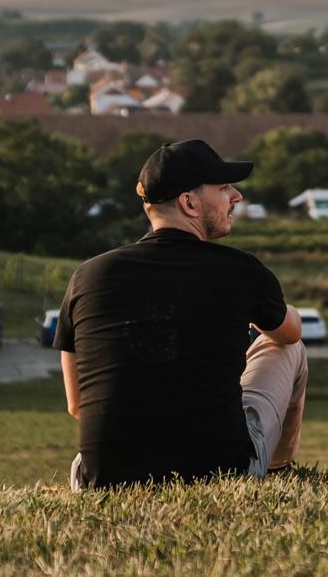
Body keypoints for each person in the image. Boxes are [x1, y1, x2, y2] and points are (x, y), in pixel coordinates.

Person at [56, 139, 306, 489]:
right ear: (189, 202)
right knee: (289, 347)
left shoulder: (87, 276)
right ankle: (278, 467)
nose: (237, 197)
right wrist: (279, 310)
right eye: (224, 188)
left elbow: (77, 404)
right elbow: (290, 333)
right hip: (222, 471)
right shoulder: (241, 270)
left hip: (100, 479)